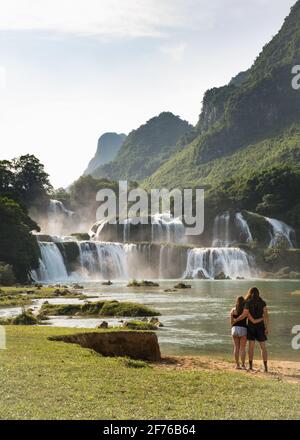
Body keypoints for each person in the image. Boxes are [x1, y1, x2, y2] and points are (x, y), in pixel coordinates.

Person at [234, 287, 269, 372]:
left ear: (250, 293)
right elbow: (266, 316)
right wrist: (267, 327)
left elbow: (245, 314)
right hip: (261, 326)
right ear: (258, 293)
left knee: (251, 347)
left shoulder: (248, 303)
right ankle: (265, 367)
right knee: (263, 347)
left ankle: (250, 366)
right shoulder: (263, 303)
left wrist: (236, 319)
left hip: (251, 327)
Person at [230, 296, 263, 370]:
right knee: (242, 348)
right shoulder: (246, 311)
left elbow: (231, 323)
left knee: (236, 348)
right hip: (243, 329)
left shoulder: (233, 310)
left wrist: (235, 322)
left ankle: (237, 365)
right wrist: (262, 318)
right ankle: (243, 365)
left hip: (234, 329)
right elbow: (253, 321)